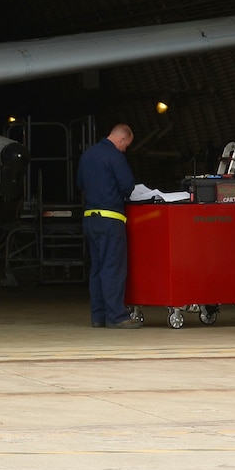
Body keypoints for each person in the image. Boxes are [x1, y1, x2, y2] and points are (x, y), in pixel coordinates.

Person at [78, 123, 143, 329]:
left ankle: (98, 316)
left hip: (90, 219)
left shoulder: (87, 155)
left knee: (97, 268)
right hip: (110, 219)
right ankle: (117, 317)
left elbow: (81, 184)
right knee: (113, 268)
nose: (125, 149)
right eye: (126, 145)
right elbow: (127, 185)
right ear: (122, 139)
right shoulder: (115, 156)